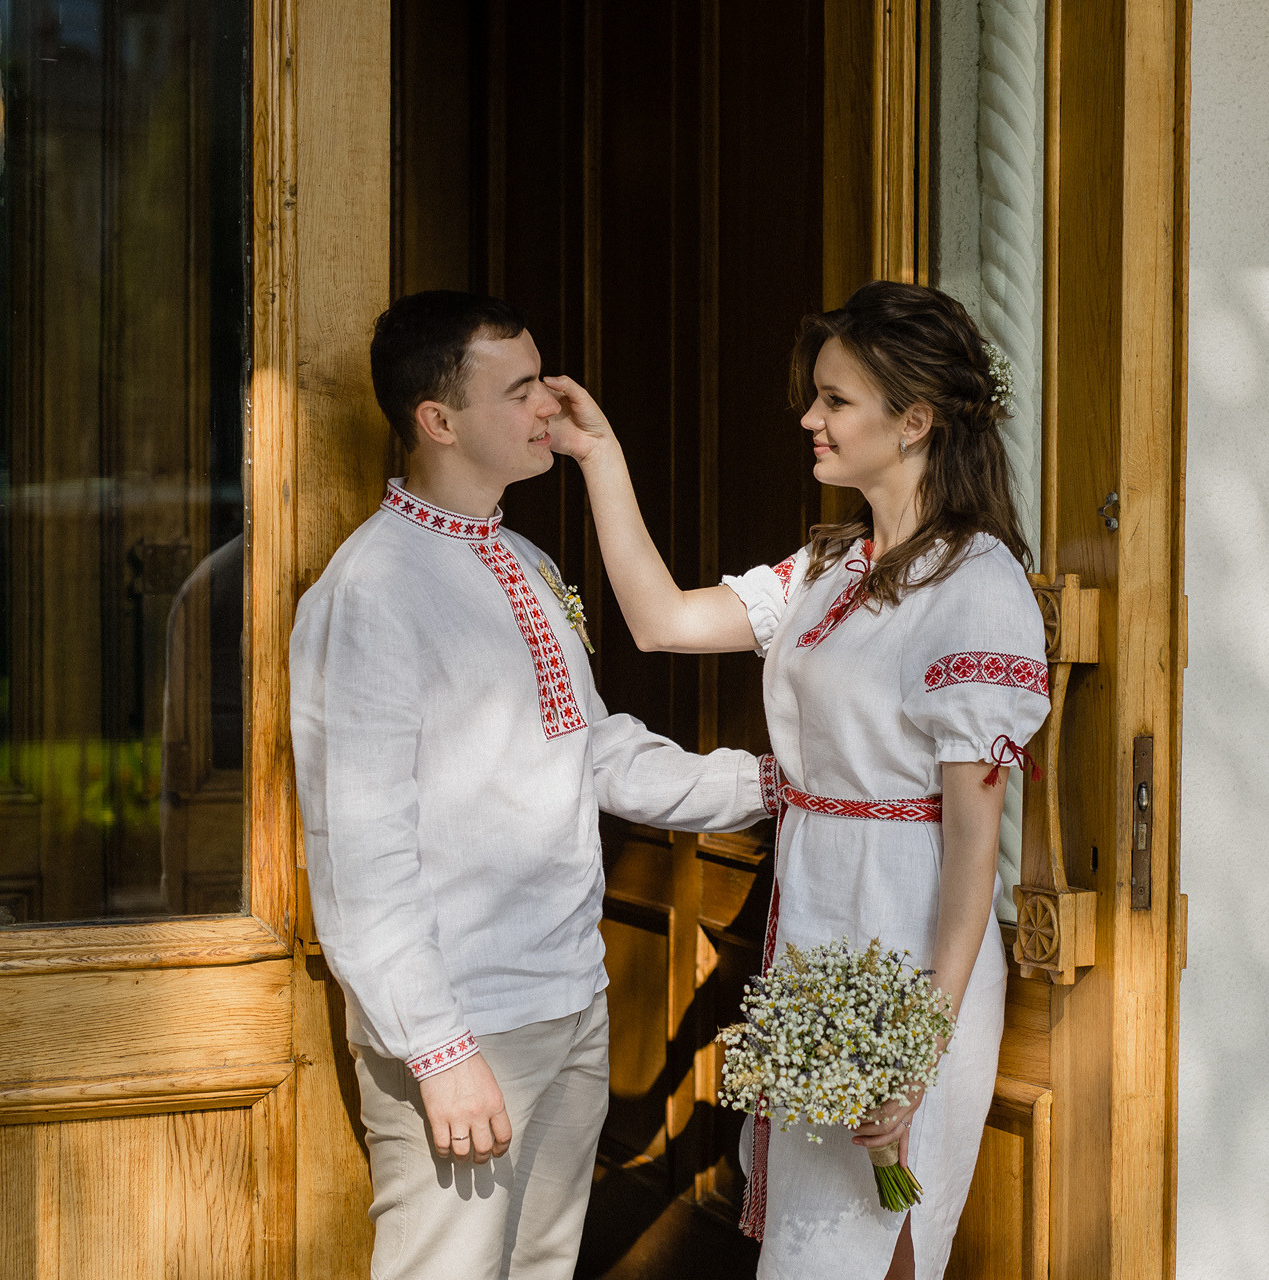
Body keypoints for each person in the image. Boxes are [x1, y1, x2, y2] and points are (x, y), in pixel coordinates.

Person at [548, 280, 1052, 1280]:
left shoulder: (978, 585)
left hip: (904, 936)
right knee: (806, 1246)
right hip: (814, 923)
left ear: (916, 422)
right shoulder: (829, 566)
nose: (809, 418)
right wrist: (601, 457)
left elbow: (971, 847)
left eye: (835, 400)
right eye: (815, 396)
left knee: (873, 1239)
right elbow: (661, 620)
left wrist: (916, 1047)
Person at [289, 291, 773, 1280]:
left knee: (545, 1265)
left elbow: (593, 751)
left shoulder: (526, 560)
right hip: (466, 1022)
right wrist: (436, 1050)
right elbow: (360, 850)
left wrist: (773, 782)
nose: (548, 408)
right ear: (439, 419)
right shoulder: (371, 589)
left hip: (568, 998)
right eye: (520, 391)